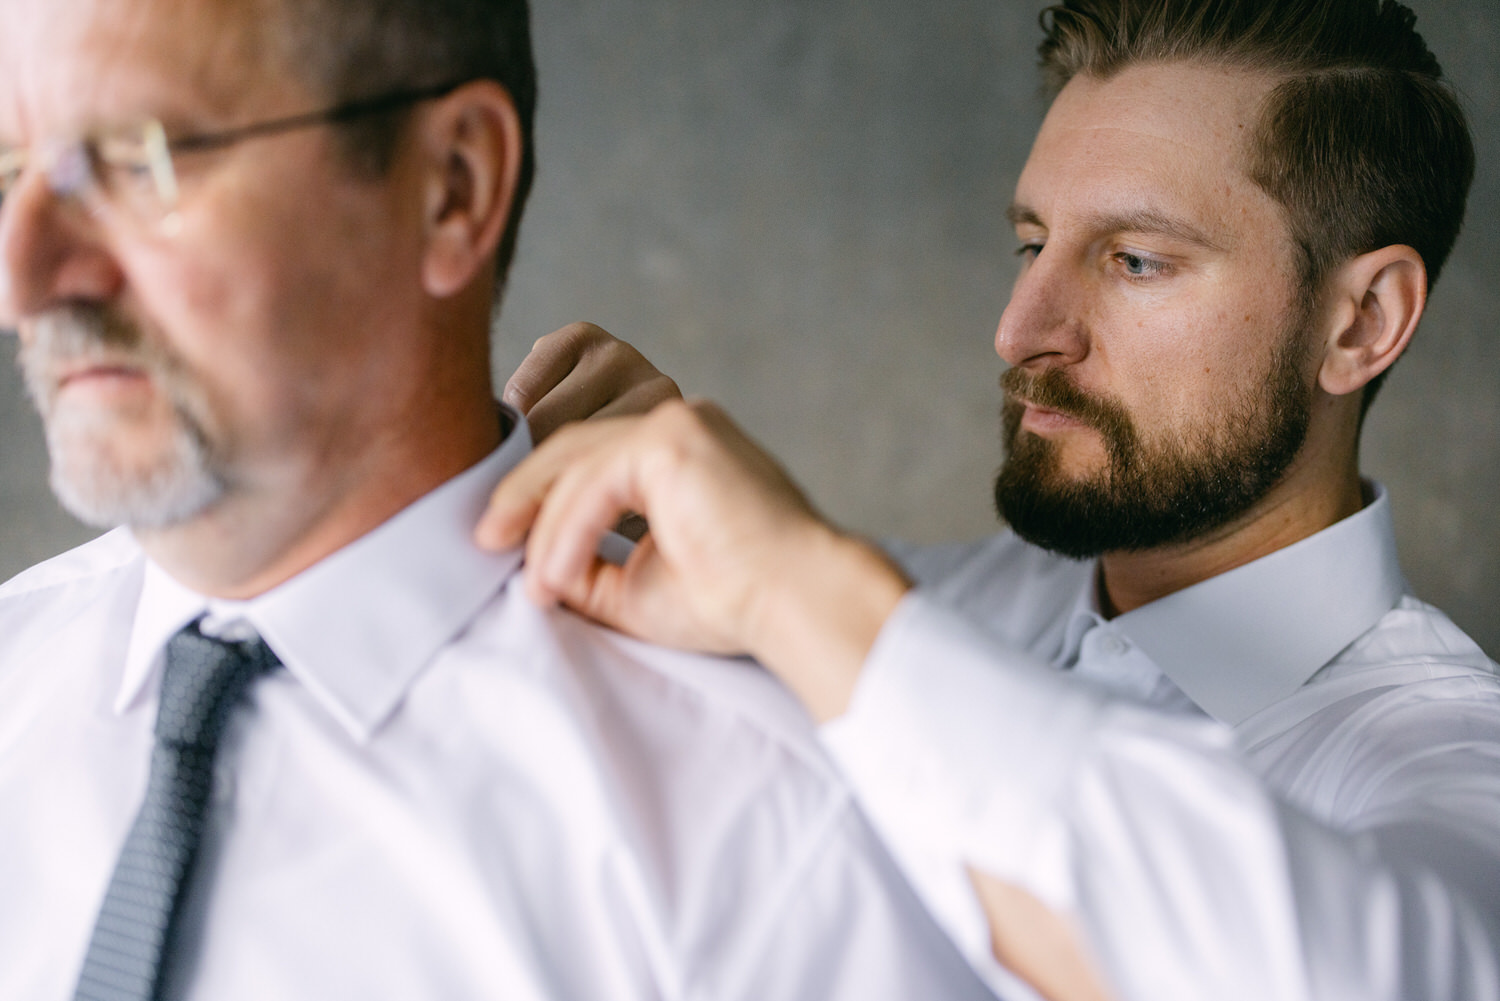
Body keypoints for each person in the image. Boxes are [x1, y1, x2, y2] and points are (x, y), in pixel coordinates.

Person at [481, 1, 1500, 999]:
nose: (1021, 329)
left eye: (1136, 260)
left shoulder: (1451, 766)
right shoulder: (936, 601)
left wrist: (804, 590)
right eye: (1032, 244)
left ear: (1361, 321)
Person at [0, 0, 995, 999]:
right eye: (9, 168)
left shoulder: (764, 846)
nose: (23, 277)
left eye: (137, 161)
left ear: (452, 187)